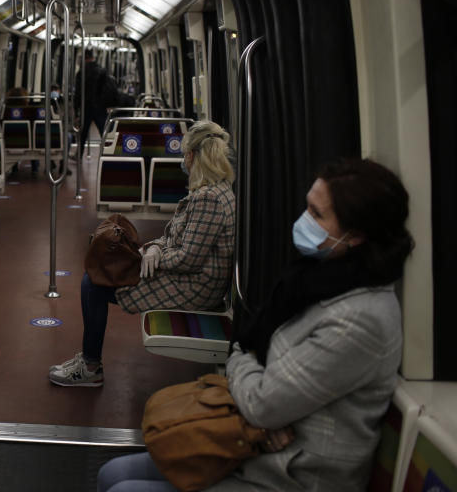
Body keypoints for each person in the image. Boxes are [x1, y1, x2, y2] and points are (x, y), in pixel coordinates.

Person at [98, 158, 412, 491]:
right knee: (112, 474)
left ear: (356, 235)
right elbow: (253, 358)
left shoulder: (359, 320)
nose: (305, 221)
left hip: (292, 475)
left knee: (124, 489)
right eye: (307, 208)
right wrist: (254, 384)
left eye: (318, 215)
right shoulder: (316, 279)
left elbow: (260, 395)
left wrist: (251, 380)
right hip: (253, 444)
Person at [49, 120, 235, 387]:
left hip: (196, 286)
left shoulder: (208, 198)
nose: (183, 161)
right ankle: (89, 361)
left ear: (193, 157)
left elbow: (189, 259)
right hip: (194, 277)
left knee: (94, 285)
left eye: (185, 155)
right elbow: (175, 238)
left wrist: (149, 259)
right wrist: (155, 247)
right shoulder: (216, 191)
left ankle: (90, 366)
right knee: (98, 278)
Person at [74, 49, 118, 143]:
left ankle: (79, 153)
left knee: (83, 133)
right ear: (93, 58)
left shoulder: (81, 73)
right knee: (104, 131)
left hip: (86, 106)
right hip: (101, 107)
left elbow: (78, 93)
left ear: (84, 59)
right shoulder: (103, 71)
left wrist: (76, 109)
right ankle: (106, 153)